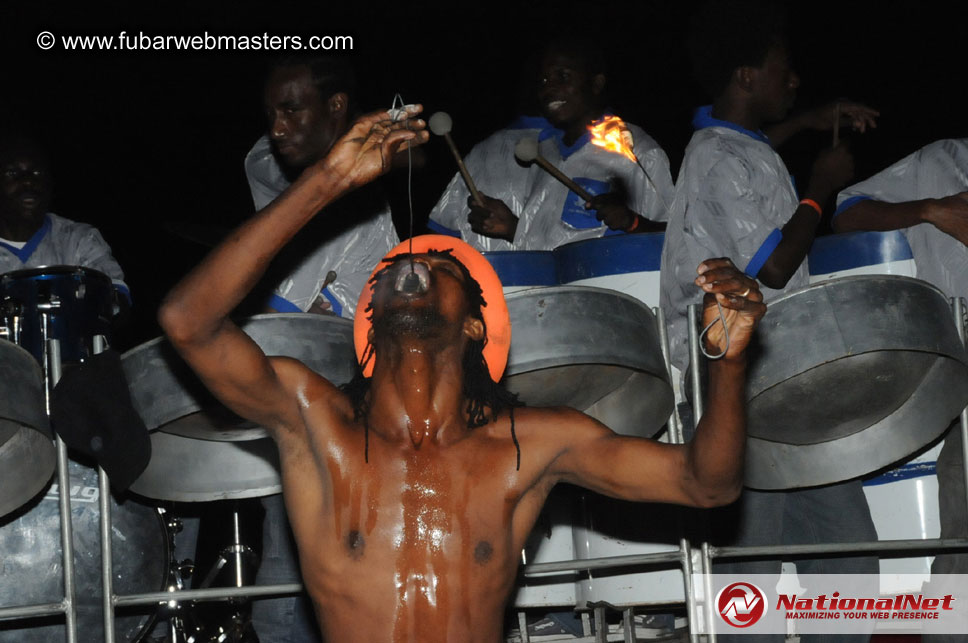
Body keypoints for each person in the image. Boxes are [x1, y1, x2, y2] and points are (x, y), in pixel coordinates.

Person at [158, 104, 767, 642]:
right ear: (369, 316)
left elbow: (706, 485)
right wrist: (328, 181)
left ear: (476, 325)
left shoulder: (529, 445)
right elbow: (187, 321)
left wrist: (730, 362)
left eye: (445, 268)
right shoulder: (315, 422)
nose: (417, 264)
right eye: (392, 270)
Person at [659, 2, 879, 641]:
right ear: (746, 75)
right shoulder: (715, 157)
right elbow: (775, 267)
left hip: (782, 391)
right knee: (750, 586)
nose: (796, 80)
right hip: (737, 396)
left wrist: (807, 121)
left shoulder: (731, 145)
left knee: (850, 568)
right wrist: (820, 188)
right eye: (785, 70)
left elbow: (750, 155)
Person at [834, 138, 968, 643]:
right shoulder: (943, 159)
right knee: (962, 491)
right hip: (960, 346)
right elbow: (846, 213)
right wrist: (932, 210)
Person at [431, 40, 674, 251]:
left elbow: (678, 242)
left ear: (596, 84)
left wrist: (632, 222)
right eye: (544, 80)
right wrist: (512, 228)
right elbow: (550, 250)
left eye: (563, 76)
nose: (549, 88)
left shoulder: (637, 150)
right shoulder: (545, 152)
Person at [244, 55, 399, 317]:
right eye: (270, 114)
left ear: (336, 105)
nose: (276, 130)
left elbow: (268, 325)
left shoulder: (341, 208)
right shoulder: (263, 159)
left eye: (291, 111)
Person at [0, 136, 128, 299]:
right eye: (12, 173)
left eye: (37, 172)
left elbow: (116, 300)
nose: (27, 182)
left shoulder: (80, 240)